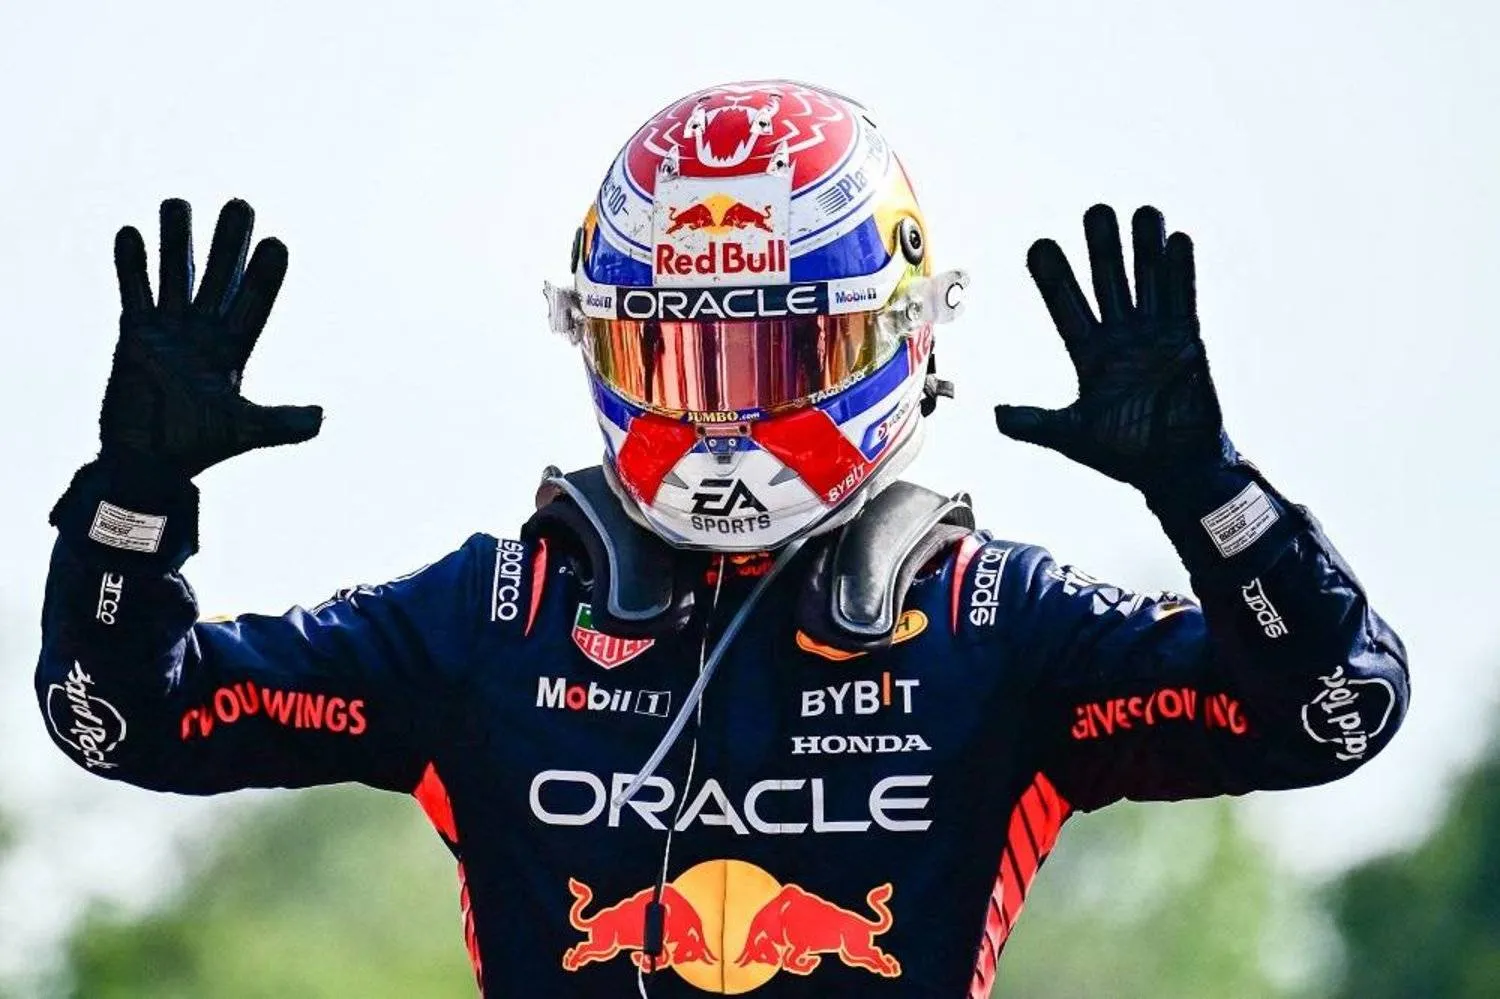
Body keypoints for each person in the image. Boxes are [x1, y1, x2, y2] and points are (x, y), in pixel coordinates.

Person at [36, 80, 1407, 998]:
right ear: (594, 341)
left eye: (776, 355)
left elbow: (1335, 711)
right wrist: (132, 502)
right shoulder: (494, 615)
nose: (722, 411)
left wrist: (1209, 493)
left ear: (896, 339)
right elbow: (123, 721)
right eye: (676, 355)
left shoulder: (996, 623)